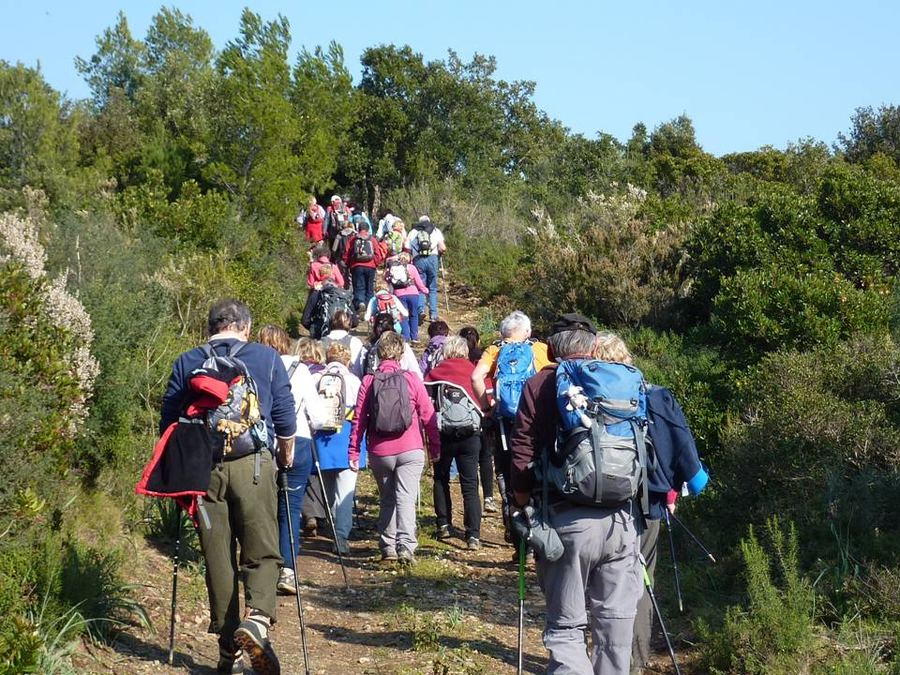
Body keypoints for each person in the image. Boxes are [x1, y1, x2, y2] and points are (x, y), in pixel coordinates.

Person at [159, 300, 296, 675]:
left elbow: (169, 422)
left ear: (210, 328)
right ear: (246, 328)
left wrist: (177, 473)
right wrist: (286, 455)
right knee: (261, 548)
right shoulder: (266, 357)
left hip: (203, 469)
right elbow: (284, 415)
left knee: (218, 556)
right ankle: (258, 620)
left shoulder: (187, 361)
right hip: (253, 464)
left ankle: (228, 650)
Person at [509, 313, 643, 675]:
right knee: (615, 626)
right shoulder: (620, 380)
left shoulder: (541, 384)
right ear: (595, 346)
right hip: (622, 520)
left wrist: (520, 504)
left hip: (565, 520)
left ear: (551, 349)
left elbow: (522, 450)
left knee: (567, 626)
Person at [583, 333, 710, 674]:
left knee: (596, 585)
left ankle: (593, 660)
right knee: (638, 584)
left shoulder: (578, 396)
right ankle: (633, 663)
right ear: (628, 359)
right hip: (645, 508)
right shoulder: (656, 396)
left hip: (590, 506)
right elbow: (688, 461)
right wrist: (678, 488)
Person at [349, 331, 440, 565]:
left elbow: (359, 420)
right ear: (401, 353)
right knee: (406, 499)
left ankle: (388, 547)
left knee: (387, 498)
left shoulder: (369, 381)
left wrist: (354, 451)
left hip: (380, 451)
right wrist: (435, 448)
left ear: (379, 353)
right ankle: (406, 547)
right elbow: (428, 415)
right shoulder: (411, 378)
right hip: (411, 448)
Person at [257, 325, 327, 598]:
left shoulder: (253, 366)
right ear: (286, 343)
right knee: (291, 508)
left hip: (262, 443)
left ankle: (261, 566)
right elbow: (319, 416)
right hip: (298, 441)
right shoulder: (300, 370)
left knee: (262, 508)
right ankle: (287, 569)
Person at [471, 311, 552, 538]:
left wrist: (487, 407)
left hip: (505, 424)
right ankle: (538, 531)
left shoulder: (495, 350)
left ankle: (514, 529)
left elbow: (476, 378)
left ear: (503, 333)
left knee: (507, 472)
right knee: (537, 472)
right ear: (527, 331)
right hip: (535, 422)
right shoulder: (540, 349)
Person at [424, 336, 487, 550]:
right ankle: (473, 535)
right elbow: (485, 400)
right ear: (465, 351)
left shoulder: (437, 373)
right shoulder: (472, 371)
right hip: (470, 435)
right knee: (470, 484)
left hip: (444, 435)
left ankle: (443, 524)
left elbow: (428, 403)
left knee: (441, 479)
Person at [311, 342, 366, 555]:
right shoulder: (353, 380)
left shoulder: (316, 378)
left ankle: (330, 524)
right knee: (345, 492)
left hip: (322, 438)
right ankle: (340, 536)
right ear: (348, 360)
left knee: (327, 489)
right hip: (347, 437)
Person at [459, 326, 497, 514]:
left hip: (467, 412)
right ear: (479, 340)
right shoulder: (485, 357)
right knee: (486, 456)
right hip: (486, 405)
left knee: (470, 459)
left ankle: (474, 498)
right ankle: (489, 497)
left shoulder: (461, 361)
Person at [405, 215, 446, 322]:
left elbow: (407, 248)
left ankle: (421, 311)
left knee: (420, 286)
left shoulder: (413, 231)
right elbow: (443, 248)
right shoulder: (436, 230)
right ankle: (434, 315)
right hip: (432, 259)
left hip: (418, 260)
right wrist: (439, 253)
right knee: (432, 288)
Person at [360, 313, 423, 379]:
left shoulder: (367, 348)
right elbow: (417, 375)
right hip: (399, 383)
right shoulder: (403, 346)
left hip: (374, 384)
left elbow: (360, 374)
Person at [385, 252, 428, 341]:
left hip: (399, 294)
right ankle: (414, 337)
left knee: (403, 316)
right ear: (409, 259)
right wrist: (425, 290)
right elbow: (419, 282)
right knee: (414, 315)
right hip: (413, 294)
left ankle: (405, 337)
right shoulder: (412, 267)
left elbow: (386, 279)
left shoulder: (393, 268)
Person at [344, 220, 384, 311]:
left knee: (359, 286)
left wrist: (349, 264)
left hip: (357, 266)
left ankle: (360, 303)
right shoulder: (372, 239)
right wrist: (375, 264)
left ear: (358, 229)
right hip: (371, 266)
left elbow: (347, 253)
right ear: (368, 229)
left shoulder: (353, 239)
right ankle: (369, 306)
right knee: (369, 287)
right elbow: (378, 254)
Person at [320, 310, 365, 378]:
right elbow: (359, 370)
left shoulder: (320, 343)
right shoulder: (356, 342)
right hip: (349, 381)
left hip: (323, 381)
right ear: (349, 324)